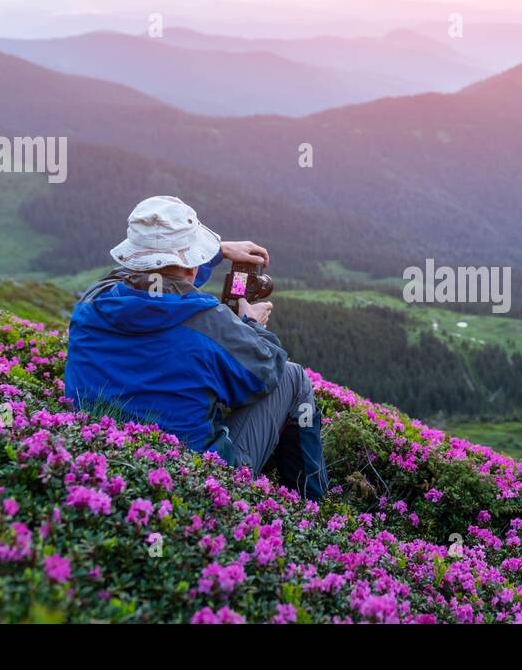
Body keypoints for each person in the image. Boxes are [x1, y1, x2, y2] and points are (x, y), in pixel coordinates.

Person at [64, 195, 327, 499]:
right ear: (192, 265)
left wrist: (214, 253)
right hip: (199, 482)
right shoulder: (208, 324)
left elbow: (147, 280)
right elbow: (267, 369)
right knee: (293, 378)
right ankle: (309, 505)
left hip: (104, 460)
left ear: (133, 258)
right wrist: (251, 325)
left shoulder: (91, 304)